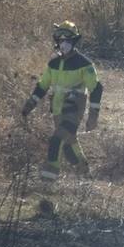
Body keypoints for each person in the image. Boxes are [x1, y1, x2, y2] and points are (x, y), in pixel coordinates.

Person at [21, 21, 103, 181]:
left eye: (68, 41)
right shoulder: (54, 64)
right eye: (61, 41)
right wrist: (31, 103)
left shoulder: (84, 64)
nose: (64, 44)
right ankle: (86, 178)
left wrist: (93, 115)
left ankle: (48, 181)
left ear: (74, 42)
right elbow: (42, 86)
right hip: (58, 111)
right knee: (68, 146)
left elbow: (96, 88)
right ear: (57, 42)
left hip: (73, 110)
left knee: (56, 141)